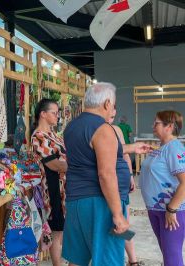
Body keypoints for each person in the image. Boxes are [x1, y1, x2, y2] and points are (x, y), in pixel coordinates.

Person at [62, 82, 150, 266]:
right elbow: (106, 174)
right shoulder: (103, 129)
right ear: (107, 103)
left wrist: (131, 148)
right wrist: (118, 214)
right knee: (108, 259)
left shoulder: (72, 127)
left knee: (77, 259)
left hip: (76, 201)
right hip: (99, 203)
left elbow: (90, 153)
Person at [139, 110, 185, 266]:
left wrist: (172, 209)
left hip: (171, 212)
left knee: (172, 257)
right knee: (167, 255)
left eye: (156, 123)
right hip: (156, 210)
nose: (153, 125)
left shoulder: (174, 148)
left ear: (169, 126)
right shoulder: (162, 148)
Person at [31, 99, 67, 266]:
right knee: (56, 230)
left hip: (62, 188)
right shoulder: (38, 136)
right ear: (43, 114)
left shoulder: (53, 135)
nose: (57, 116)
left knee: (60, 230)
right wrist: (79, 165)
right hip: (52, 188)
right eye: (54, 112)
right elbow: (55, 164)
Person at [108, 110, 141, 266]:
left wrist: (130, 176)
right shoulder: (94, 129)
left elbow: (126, 153)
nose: (111, 114)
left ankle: (133, 260)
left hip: (119, 181)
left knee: (123, 221)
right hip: (103, 182)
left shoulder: (117, 129)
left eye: (114, 113)